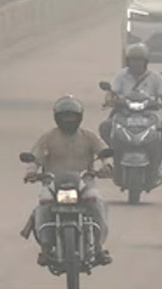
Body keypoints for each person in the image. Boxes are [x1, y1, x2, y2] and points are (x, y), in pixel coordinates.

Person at [25, 96, 112, 265]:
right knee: (43, 204)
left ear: (79, 117)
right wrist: (31, 172)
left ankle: (99, 247)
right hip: (52, 183)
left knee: (97, 202)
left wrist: (107, 166)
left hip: (84, 182)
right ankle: (45, 246)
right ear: (57, 118)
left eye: (72, 116)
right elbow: (35, 158)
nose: (68, 120)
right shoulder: (48, 138)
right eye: (65, 116)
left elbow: (104, 152)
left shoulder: (88, 136)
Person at [100, 43, 162, 180]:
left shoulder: (156, 77)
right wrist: (109, 100)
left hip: (148, 114)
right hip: (123, 113)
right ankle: (116, 158)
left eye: (139, 60)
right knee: (105, 127)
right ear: (128, 61)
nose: (136, 63)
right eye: (133, 60)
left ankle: (156, 166)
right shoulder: (121, 76)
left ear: (146, 62)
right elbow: (111, 92)